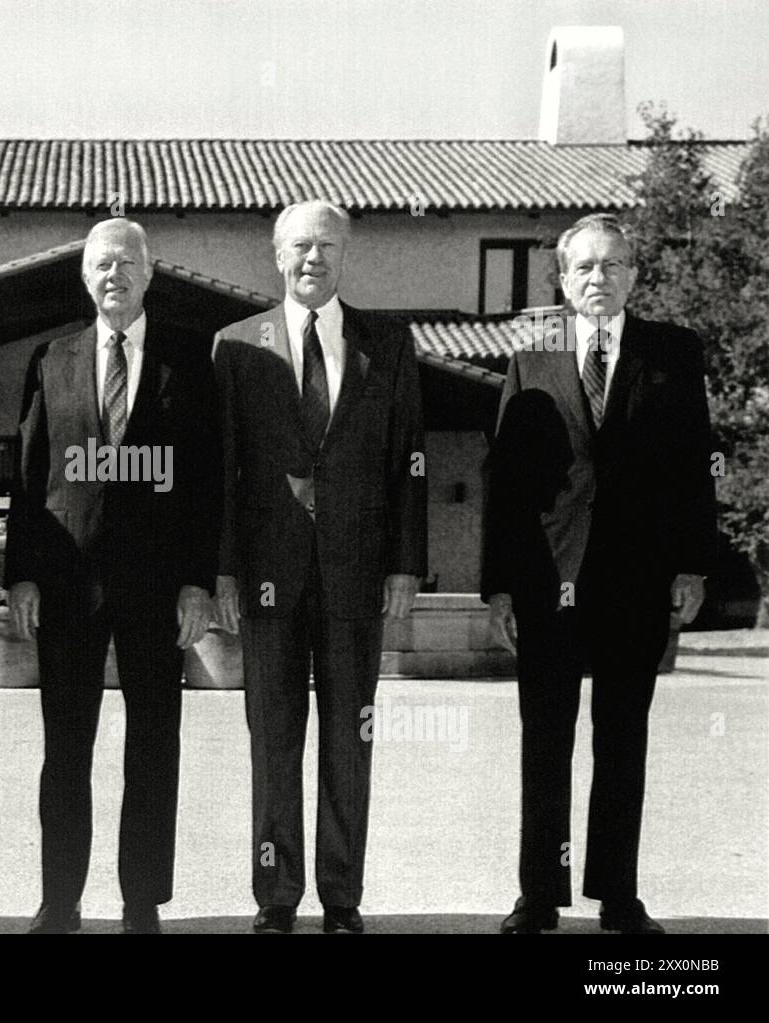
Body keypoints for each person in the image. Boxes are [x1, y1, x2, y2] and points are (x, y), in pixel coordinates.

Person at [482, 213, 716, 935]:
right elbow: (505, 484)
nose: (598, 278)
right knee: (544, 741)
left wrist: (693, 566)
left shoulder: (674, 354)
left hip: (637, 582)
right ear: (561, 277)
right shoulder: (533, 358)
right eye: (584, 267)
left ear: (635, 275)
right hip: (549, 579)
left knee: (622, 741)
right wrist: (498, 585)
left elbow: (694, 468)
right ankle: (538, 894)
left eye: (613, 265)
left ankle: (619, 894)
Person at [213, 199, 426, 934]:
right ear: (276, 256)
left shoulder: (389, 344)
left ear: (344, 256)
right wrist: (226, 570)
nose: (313, 259)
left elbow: (408, 463)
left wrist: (405, 564)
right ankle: (276, 896)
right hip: (269, 575)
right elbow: (226, 471)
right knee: (274, 740)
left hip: (355, 574)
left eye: (328, 247)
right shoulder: (235, 346)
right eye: (300, 246)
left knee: (348, 738)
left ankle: (341, 895)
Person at [5, 217, 220, 934]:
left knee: (153, 742)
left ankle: (140, 899)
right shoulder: (52, 357)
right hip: (67, 580)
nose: (114, 274)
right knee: (65, 746)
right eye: (102, 263)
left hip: (158, 586)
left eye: (128, 262)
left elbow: (205, 481)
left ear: (151, 273)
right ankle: (58, 897)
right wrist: (23, 575)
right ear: (84, 275)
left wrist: (198, 580)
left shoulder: (191, 361)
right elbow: (30, 473)